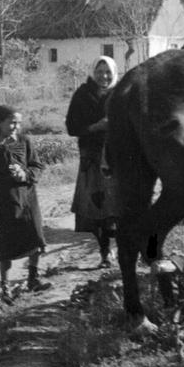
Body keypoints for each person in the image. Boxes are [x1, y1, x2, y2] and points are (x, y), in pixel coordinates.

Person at [0, 105, 50, 304]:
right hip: (4, 202)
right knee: (6, 245)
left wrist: (25, 174)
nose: (16, 126)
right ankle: (5, 288)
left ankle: (33, 278)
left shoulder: (24, 141)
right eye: (12, 123)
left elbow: (37, 166)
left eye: (18, 123)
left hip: (28, 198)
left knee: (34, 237)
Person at [65, 57, 119, 267]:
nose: (103, 76)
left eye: (108, 72)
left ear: (114, 73)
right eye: (100, 71)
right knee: (97, 206)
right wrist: (97, 127)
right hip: (92, 157)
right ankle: (105, 251)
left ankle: (120, 248)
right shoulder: (83, 94)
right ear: (93, 72)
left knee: (118, 205)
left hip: (118, 157)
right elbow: (72, 127)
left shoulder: (121, 93)